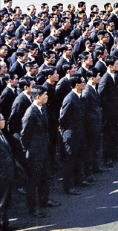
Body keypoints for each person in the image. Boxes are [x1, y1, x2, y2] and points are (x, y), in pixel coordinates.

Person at [21, 86, 61, 218]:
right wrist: (29, 151)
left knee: (45, 176)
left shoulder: (42, 108)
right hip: (34, 153)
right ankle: (32, 209)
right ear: (37, 97)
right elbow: (24, 136)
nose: (47, 97)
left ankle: (45, 199)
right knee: (33, 182)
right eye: (45, 95)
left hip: (44, 149)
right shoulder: (30, 113)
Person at [0, 112, 14, 230]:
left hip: (7, 173)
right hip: (2, 175)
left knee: (6, 200)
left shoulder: (2, 134)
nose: (4, 121)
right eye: (2, 119)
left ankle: (5, 223)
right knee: (2, 202)